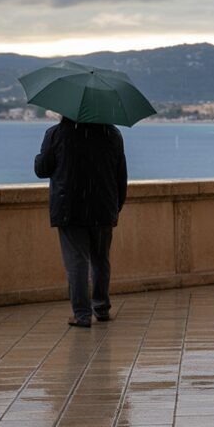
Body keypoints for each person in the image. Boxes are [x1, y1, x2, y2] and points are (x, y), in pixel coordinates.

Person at [34, 116, 128, 328]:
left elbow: (42, 169)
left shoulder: (56, 134)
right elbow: (121, 174)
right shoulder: (112, 134)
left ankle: (82, 314)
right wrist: (117, 204)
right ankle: (102, 307)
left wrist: (40, 156)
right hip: (103, 207)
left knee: (77, 261)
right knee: (100, 259)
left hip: (70, 208)